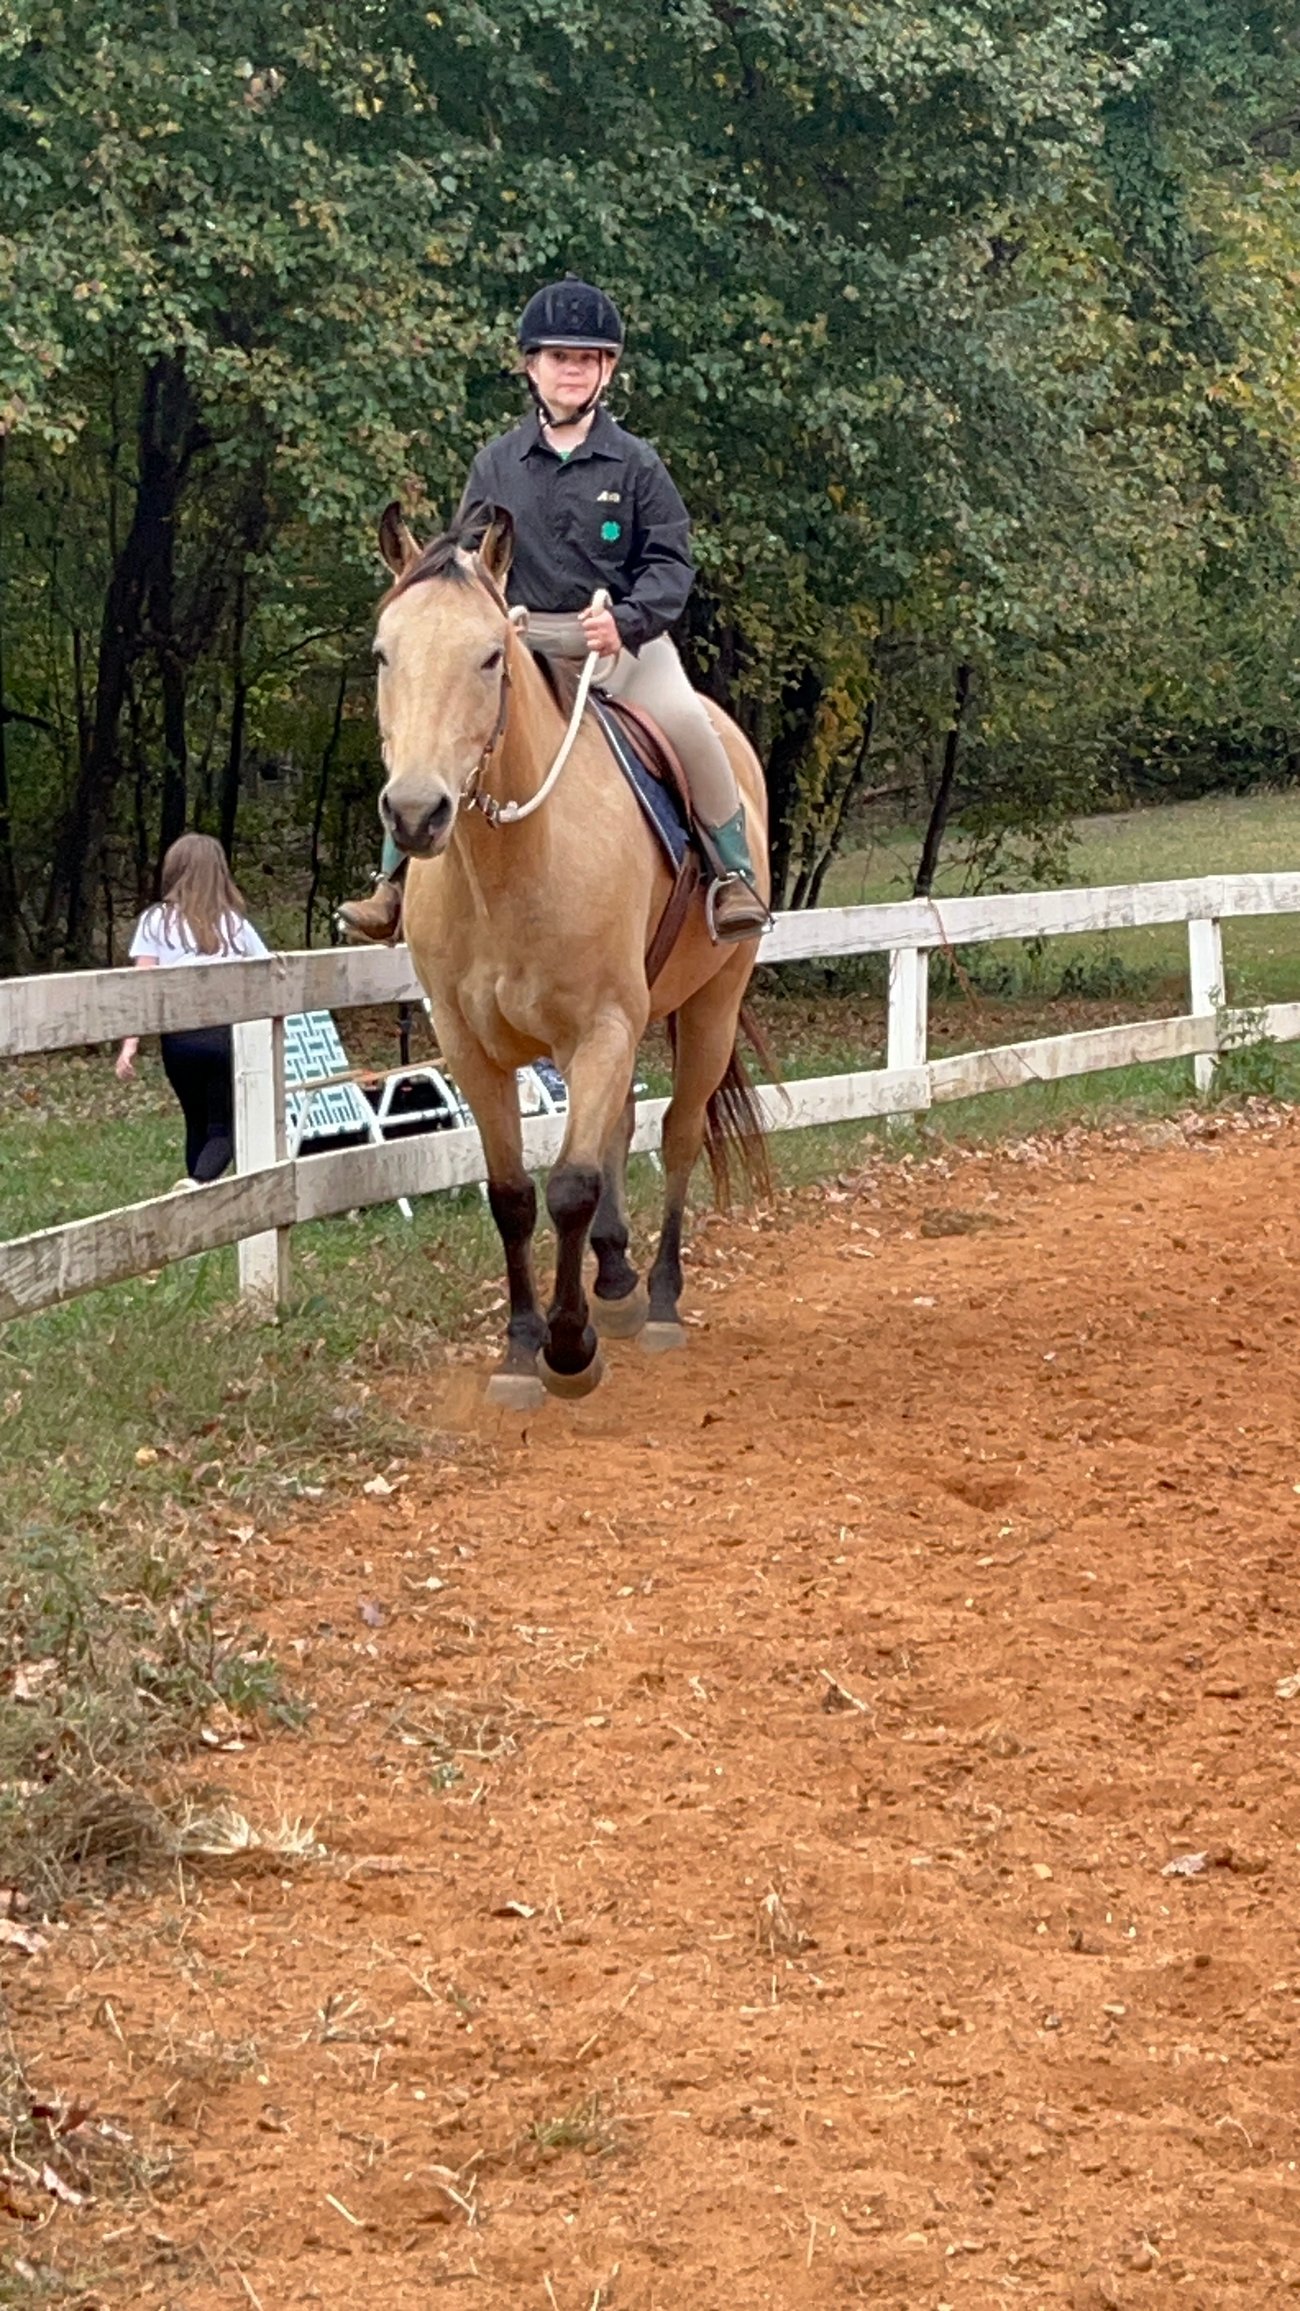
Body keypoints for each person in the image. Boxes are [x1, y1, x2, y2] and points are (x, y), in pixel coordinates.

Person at [339, 275, 771, 947]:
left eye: (588, 359)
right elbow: (467, 564)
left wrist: (626, 620)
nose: (573, 370)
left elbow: (670, 563)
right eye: (560, 357)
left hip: (619, 648)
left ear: (607, 371)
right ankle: (390, 886)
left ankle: (732, 875)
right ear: (531, 367)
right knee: (434, 719)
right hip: (520, 643)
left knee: (689, 721)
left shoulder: (636, 465)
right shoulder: (496, 465)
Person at [115, 833, 270, 1187]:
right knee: (226, 1127)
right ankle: (197, 1184)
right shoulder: (234, 924)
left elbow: (142, 987)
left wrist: (130, 1044)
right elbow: (269, 972)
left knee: (196, 1122)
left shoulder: (154, 921)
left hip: (179, 1042)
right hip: (225, 1039)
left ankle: (193, 1195)